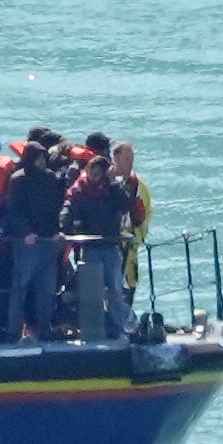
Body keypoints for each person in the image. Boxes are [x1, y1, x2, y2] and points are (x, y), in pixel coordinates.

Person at [60, 154, 135, 339]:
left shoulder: (113, 189)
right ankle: (91, 329)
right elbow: (68, 207)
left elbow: (126, 205)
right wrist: (64, 227)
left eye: (98, 173)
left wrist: (113, 183)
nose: (93, 177)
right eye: (91, 172)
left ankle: (122, 327)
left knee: (115, 290)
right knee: (90, 291)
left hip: (110, 246)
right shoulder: (80, 190)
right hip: (90, 247)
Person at [0, 142, 67, 340]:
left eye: (43, 158)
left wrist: (58, 231)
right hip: (26, 243)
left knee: (47, 288)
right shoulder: (18, 180)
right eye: (38, 158)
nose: (42, 162)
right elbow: (13, 211)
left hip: (48, 241)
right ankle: (13, 330)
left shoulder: (50, 179)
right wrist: (25, 233)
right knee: (21, 286)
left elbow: (56, 208)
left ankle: (44, 329)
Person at [113, 141, 153, 301]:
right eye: (127, 158)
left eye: (132, 159)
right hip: (112, 243)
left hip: (130, 246)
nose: (131, 163)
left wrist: (138, 236)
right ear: (115, 158)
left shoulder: (139, 186)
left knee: (130, 285)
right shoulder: (107, 182)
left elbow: (147, 212)